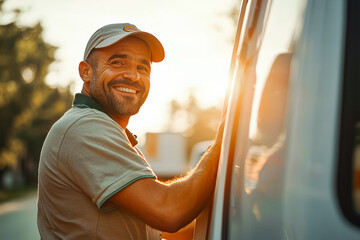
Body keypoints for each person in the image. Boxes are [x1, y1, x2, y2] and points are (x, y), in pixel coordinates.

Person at [37, 23, 224, 240]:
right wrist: (225, 139)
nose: (133, 76)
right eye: (118, 62)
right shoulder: (85, 127)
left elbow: (146, 229)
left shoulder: (107, 130)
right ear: (86, 72)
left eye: (143, 68)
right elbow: (169, 211)